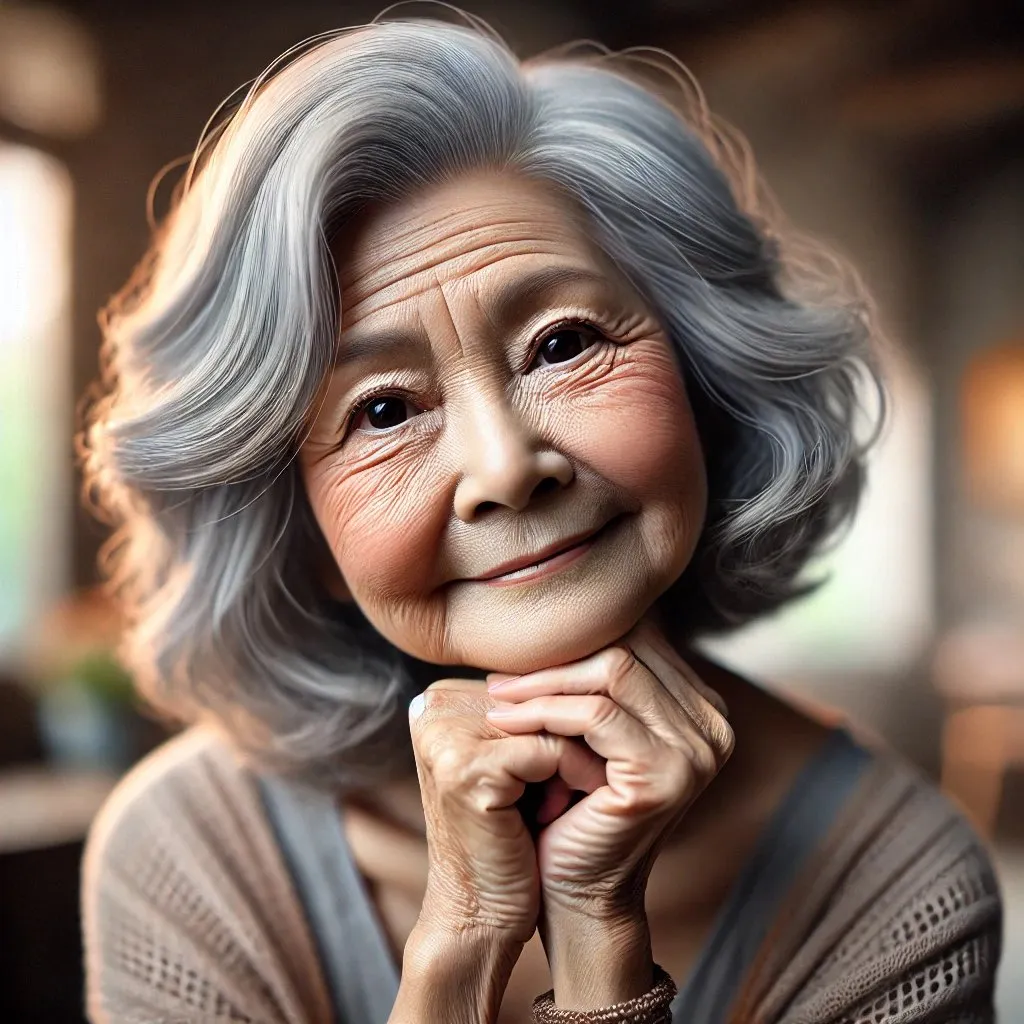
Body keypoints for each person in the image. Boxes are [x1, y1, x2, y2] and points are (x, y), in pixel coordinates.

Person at [79, 13, 1003, 1024]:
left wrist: (597, 932)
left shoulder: (900, 883)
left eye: (561, 344)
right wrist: (462, 941)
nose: (505, 468)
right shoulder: (185, 855)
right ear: (299, 530)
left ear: (704, 377)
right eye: (382, 410)